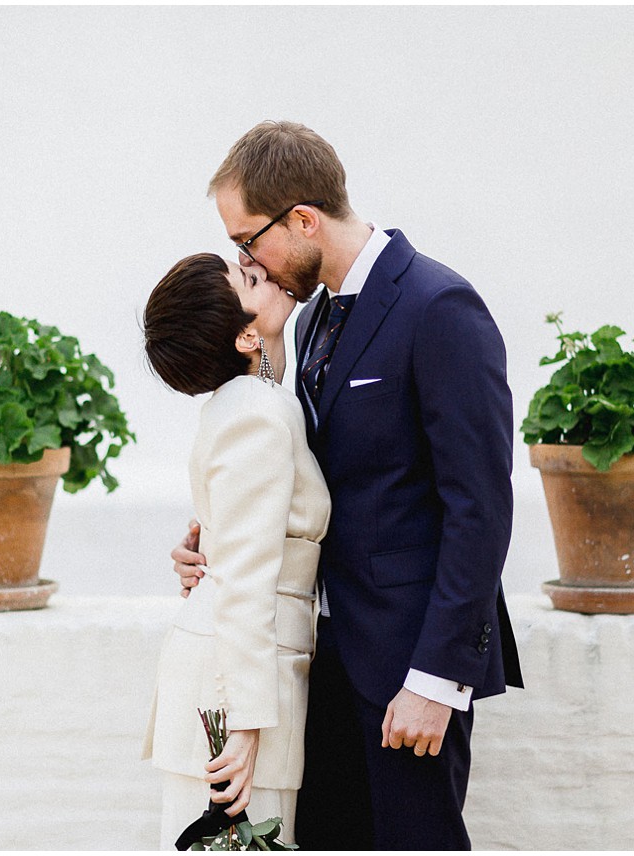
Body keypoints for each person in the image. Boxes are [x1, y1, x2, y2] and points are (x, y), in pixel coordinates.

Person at [172, 120, 523, 850]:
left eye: (247, 241)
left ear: (302, 220)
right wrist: (219, 536)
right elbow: (316, 477)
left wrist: (436, 680)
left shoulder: (439, 307)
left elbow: (479, 507)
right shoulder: (313, 320)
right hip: (322, 662)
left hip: (407, 670)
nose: (246, 260)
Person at [141, 252, 331, 849]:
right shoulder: (257, 409)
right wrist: (244, 725)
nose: (265, 269)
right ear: (247, 334)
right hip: (238, 685)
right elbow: (248, 581)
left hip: (233, 666)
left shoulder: (246, 402)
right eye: (250, 279)